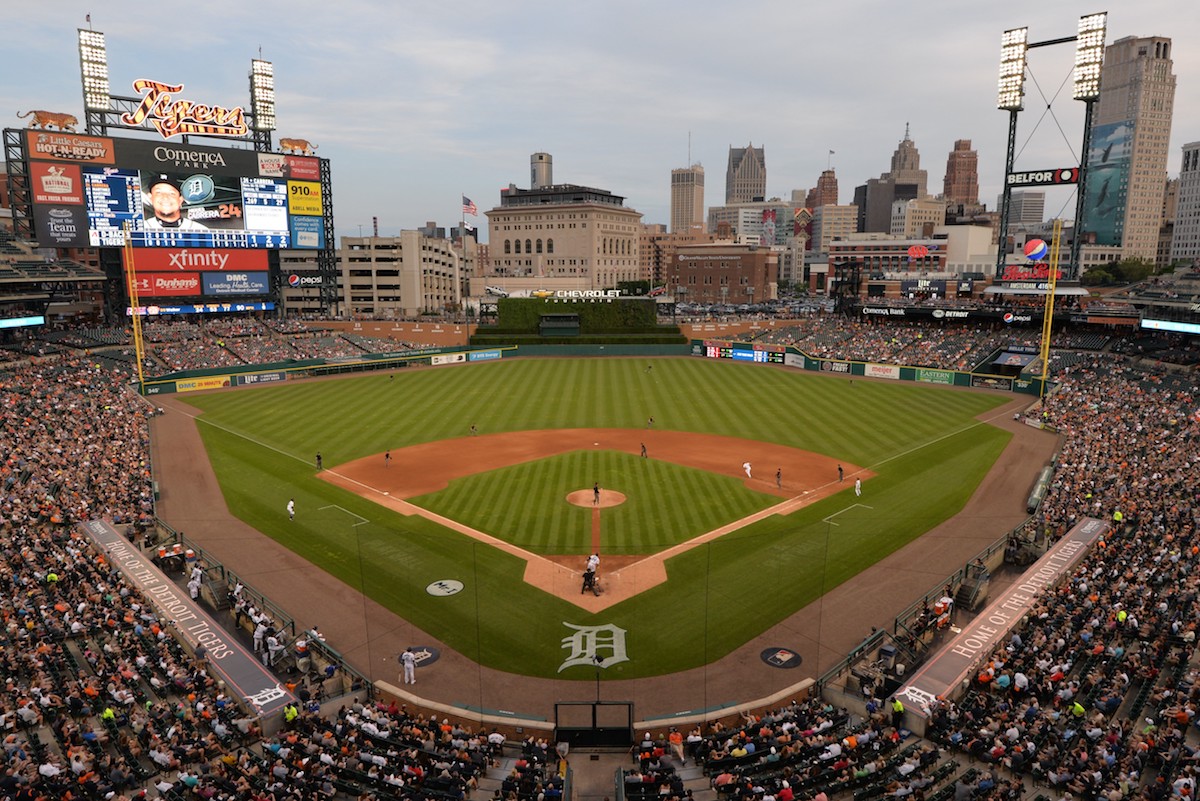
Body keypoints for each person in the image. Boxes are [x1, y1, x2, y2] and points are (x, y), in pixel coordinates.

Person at [143, 175, 208, 230]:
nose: (165, 197)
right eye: (158, 192)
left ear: (180, 200)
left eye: (172, 193)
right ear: (150, 197)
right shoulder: (141, 229)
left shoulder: (199, 229)